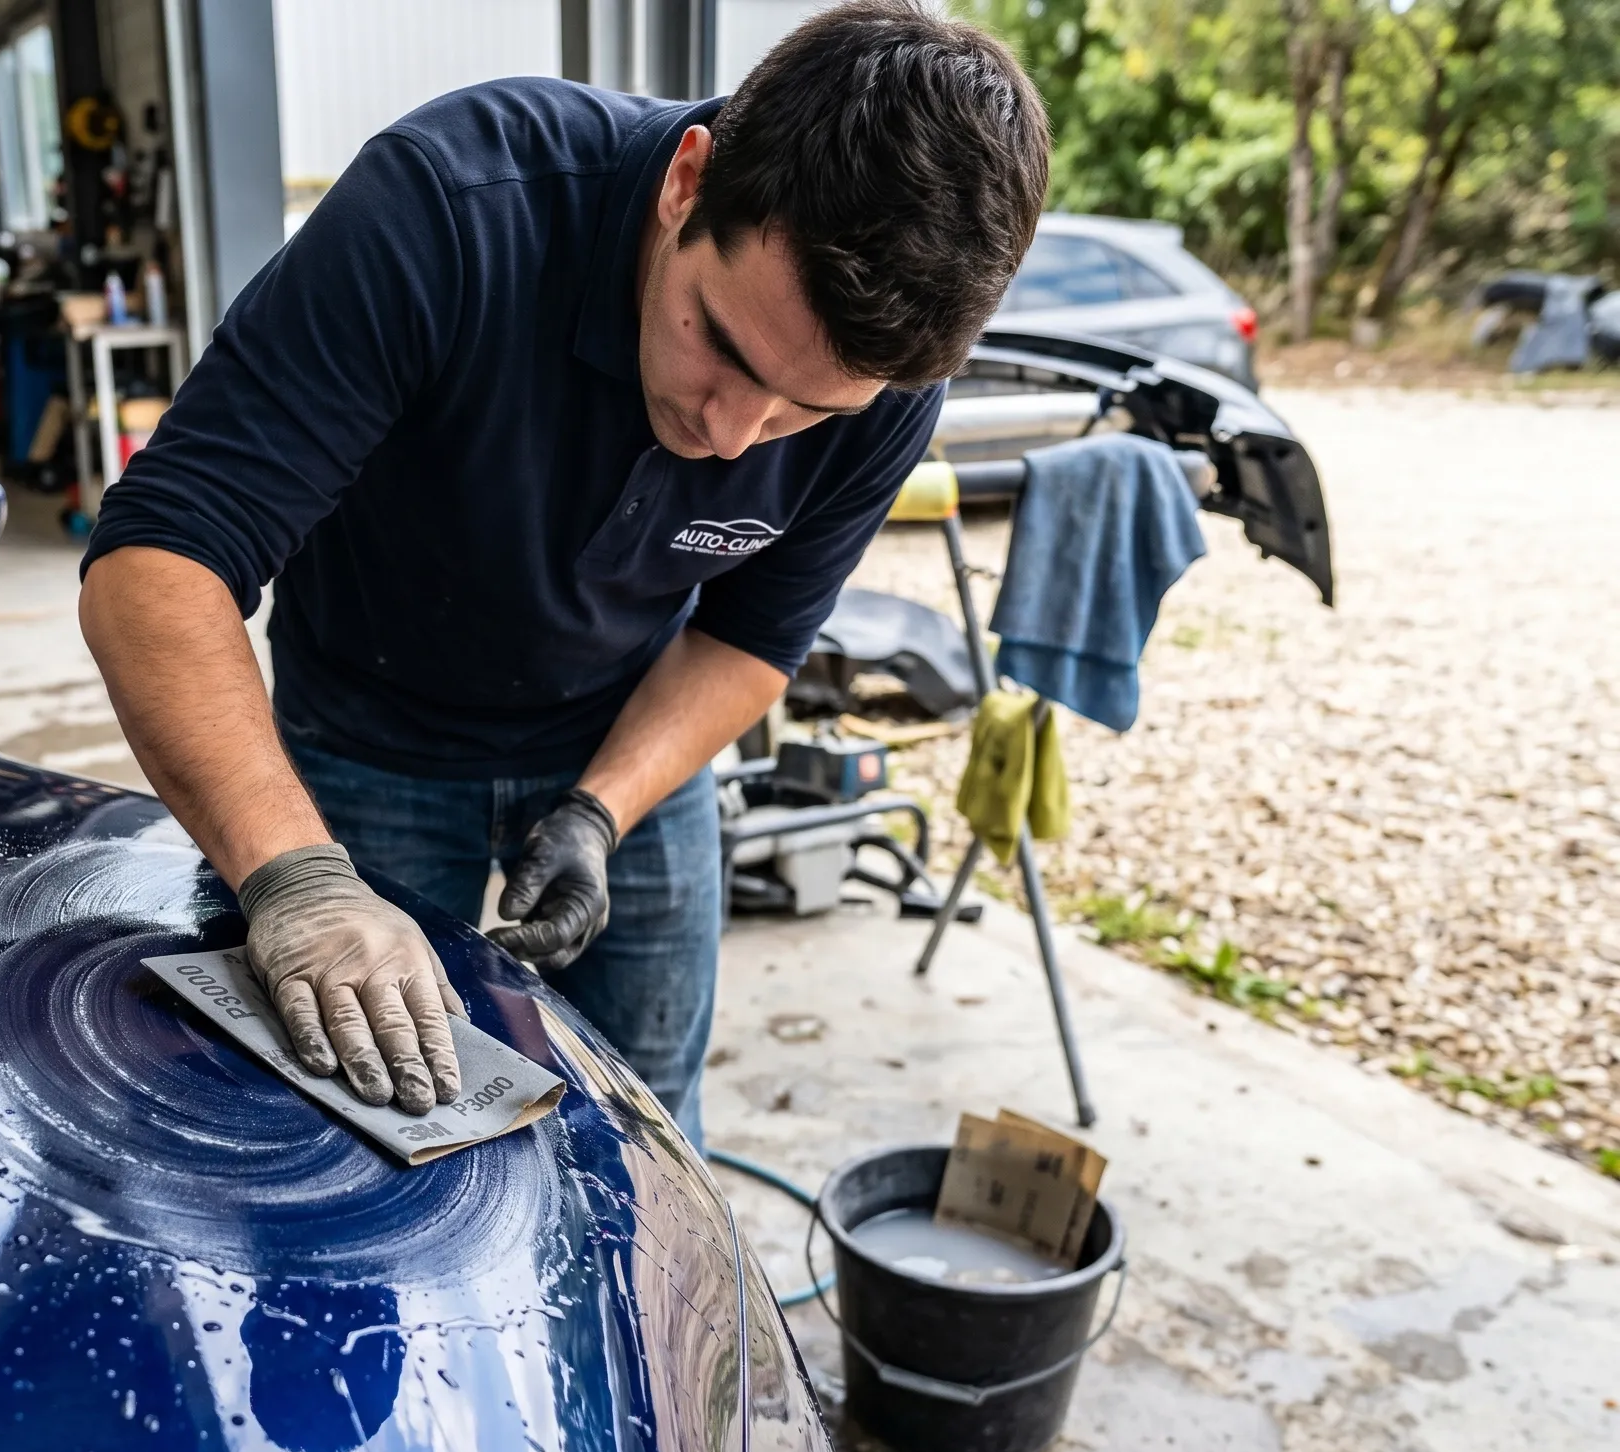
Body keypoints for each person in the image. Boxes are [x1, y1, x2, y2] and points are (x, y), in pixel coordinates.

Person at [80, 1, 1049, 1145]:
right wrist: (295, 877)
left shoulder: (885, 388)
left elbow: (749, 640)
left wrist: (599, 811)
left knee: (645, 1136)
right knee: (360, 1144)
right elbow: (156, 561)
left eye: (805, 409)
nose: (736, 433)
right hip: (366, 741)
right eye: (723, 346)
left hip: (621, 740)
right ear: (687, 181)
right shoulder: (448, 209)